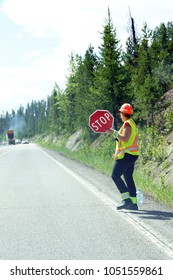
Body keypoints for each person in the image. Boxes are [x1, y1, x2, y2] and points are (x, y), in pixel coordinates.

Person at [108, 103, 139, 210]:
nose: (120, 115)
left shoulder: (127, 124)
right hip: (132, 154)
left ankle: (126, 200)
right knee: (128, 177)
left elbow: (125, 138)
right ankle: (134, 204)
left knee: (115, 176)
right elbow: (126, 139)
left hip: (127, 155)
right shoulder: (132, 123)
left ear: (123, 113)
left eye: (120, 113)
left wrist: (113, 132)